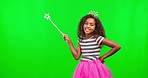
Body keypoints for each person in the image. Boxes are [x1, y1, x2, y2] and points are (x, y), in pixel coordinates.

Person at [63, 13, 121, 78]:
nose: (88, 26)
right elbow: (76, 56)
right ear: (82, 25)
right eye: (86, 23)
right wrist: (69, 42)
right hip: (82, 68)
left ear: (95, 27)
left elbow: (117, 46)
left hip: (95, 68)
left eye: (91, 24)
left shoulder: (97, 38)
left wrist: (103, 57)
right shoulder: (81, 39)